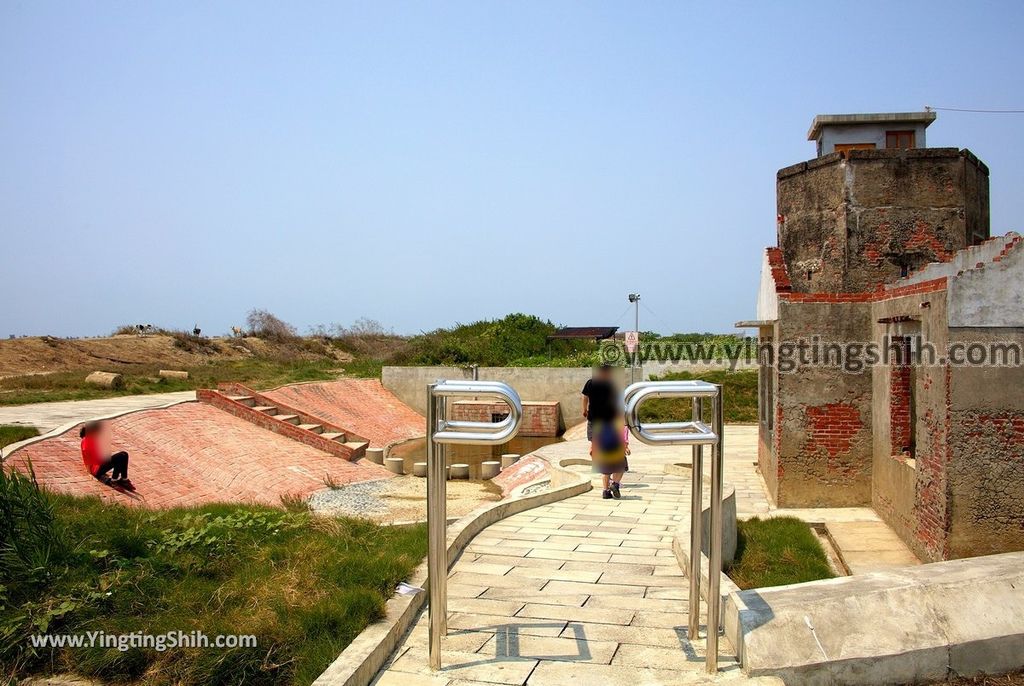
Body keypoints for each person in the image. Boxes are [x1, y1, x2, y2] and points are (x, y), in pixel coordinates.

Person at [582, 364, 629, 499]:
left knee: (596, 446)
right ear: (607, 373)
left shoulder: (590, 383)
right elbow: (617, 406)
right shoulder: (611, 386)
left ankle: (605, 485)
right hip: (608, 424)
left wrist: (584, 409)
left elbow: (584, 397)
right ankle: (614, 483)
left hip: (595, 422)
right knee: (616, 458)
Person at [80, 420, 134, 490]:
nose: (99, 433)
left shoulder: (92, 439)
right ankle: (113, 481)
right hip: (96, 469)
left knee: (124, 454)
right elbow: (87, 457)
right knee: (120, 457)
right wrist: (90, 473)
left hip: (100, 464)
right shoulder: (86, 440)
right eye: (98, 431)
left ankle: (124, 479)